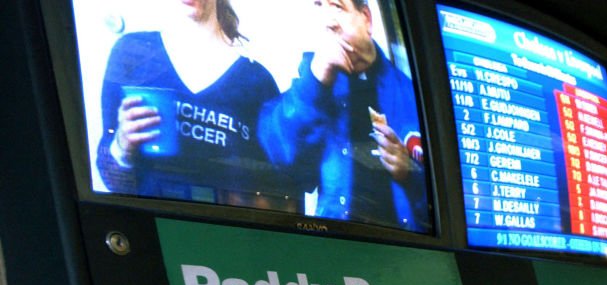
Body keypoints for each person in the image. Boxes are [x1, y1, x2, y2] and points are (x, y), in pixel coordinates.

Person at [97, 0, 292, 208]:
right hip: (152, 228)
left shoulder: (258, 81)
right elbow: (111, 180)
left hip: (225, 233)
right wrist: (121, 149)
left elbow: (273, 192)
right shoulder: (132, 52)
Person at [259, 0, 428, 232]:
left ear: (366, 18)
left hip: (403, 254)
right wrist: (315, 81)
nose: (328, 22)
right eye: (319, 5)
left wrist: (409, 174)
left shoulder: (412, 95)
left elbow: (448, 201)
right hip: (334, 248)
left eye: (337, 6)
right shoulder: (312, 82)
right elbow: (281, 156)